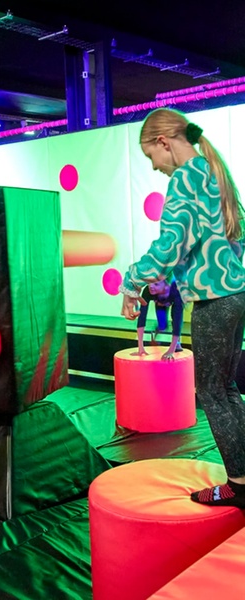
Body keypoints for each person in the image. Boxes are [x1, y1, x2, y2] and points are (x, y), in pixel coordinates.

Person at [119, 108, 245, 507]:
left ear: (163, 142)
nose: (154, 167)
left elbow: (170, 245)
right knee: (227, 388)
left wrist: (132, 282)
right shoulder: (212, 171)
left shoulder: (185, 178)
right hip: (236, 294)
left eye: (150, 156)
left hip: (214, 301)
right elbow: (234, 236)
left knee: (211, 391)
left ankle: (239, 485)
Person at [133, 277, 184, 359]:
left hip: (173, 298)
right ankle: (155, 336)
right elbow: (142, 317)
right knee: (162, 325)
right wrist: (140, 347)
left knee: (175, 320)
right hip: (160, 300)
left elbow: (178, 321)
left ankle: (177, 342)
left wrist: (171, 350)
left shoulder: (177, 291)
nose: (151, 286)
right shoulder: (148, 290)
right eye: (149, 282)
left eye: (156, 284)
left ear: (166, 286)